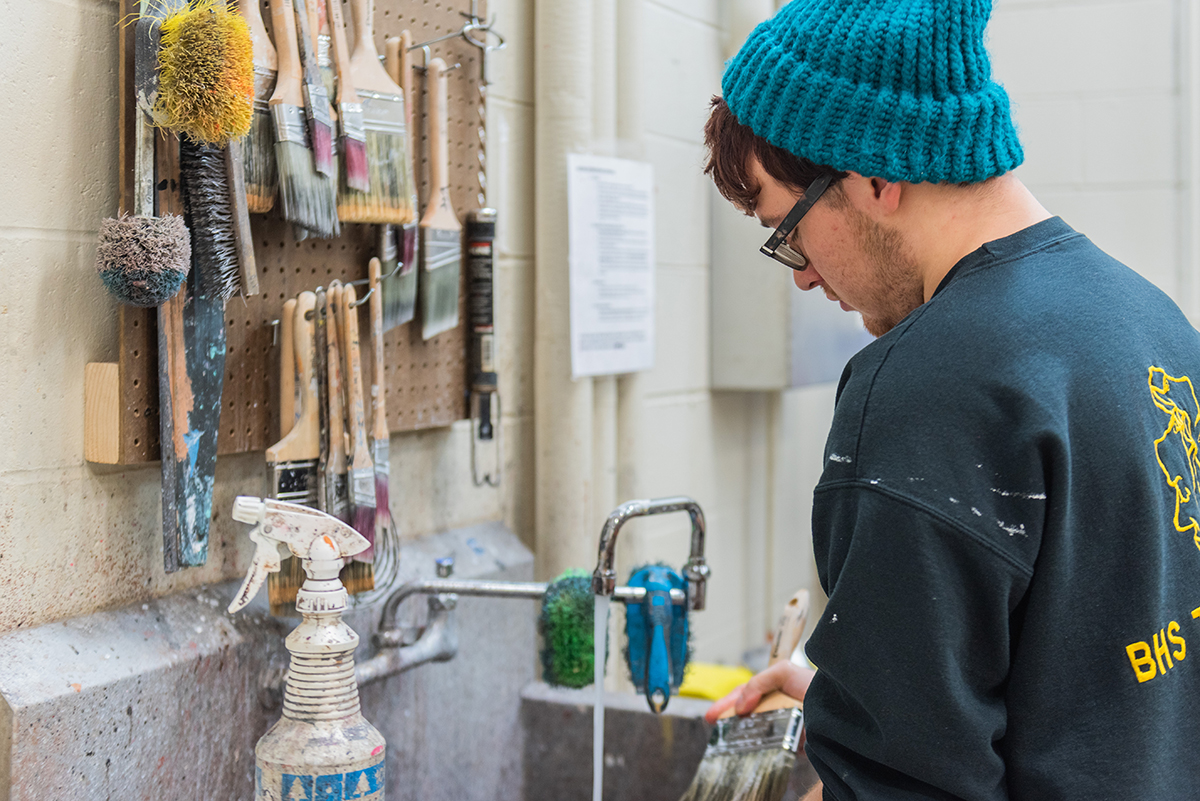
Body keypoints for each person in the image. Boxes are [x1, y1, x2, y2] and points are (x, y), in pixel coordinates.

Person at [701, 1, 1200, 799]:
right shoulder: (1154, 325)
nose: (799, 273)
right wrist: (864, 699)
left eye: (787, 225)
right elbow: (1106, 674)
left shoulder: (924, 390)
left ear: (874, 174)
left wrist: (867, 760)